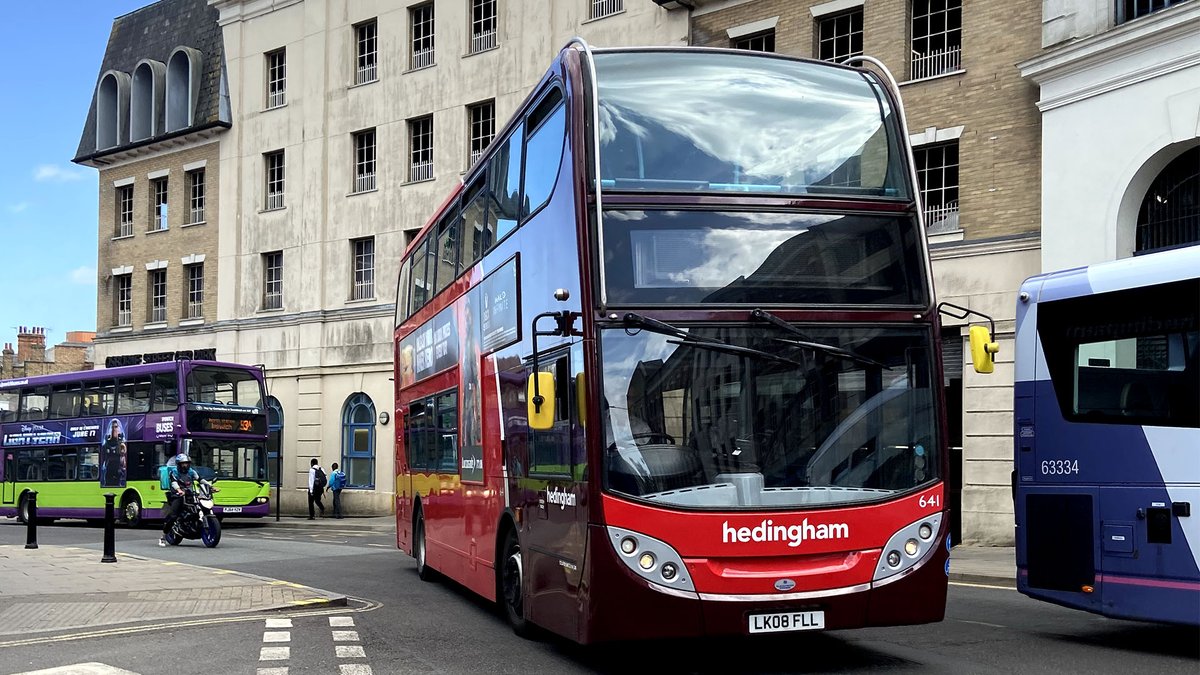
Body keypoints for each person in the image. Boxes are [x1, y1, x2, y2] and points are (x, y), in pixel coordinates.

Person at [160, 453, 198, 546]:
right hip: (177, 495)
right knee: (173, 515)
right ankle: (163, 536)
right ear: (179, 464)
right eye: (183, 463)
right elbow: (174, 483)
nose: (185, 465)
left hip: (189, 494)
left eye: (187, 463)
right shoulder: (174, 472)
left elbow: (200, 479)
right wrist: (179, 490)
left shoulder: (191, 471)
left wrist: (209, 487)